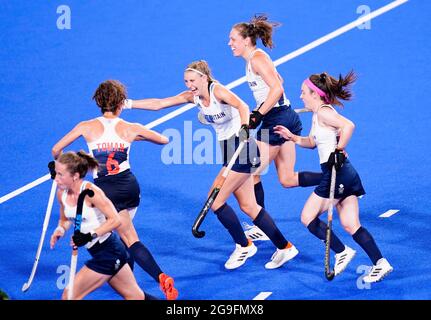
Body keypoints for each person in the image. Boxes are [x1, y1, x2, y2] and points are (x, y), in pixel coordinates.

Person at [125, 60, 298, 270]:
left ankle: (244, 245)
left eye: (192, 80)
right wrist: (128, 103)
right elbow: (160, 103)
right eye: (186, 81)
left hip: (242, 148)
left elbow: (242, 106)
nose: (189, 85)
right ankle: (284, 246)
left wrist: (245, 127)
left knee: (215, 199)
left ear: (204, 77)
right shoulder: (194, 97)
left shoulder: (218, 91)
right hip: (228, 150)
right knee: (248, 206)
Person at [51, 80, 178, 299]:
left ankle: (149, 281)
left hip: (105, 189)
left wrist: (59, 165)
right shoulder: (130, 128)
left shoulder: (86, 126)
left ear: (98, 103)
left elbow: (56, 149)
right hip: (129, 187)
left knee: (119, 238)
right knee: (125, 237)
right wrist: (136, 136)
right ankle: (145, 281)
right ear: (121, 104)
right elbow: (164, 140)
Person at [273, 71, 393, 282]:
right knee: (350, 224)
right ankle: (381, 263)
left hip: (337, 174)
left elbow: (348, 126)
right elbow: (312, 142)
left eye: (303, 93)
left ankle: (341, 252)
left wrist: (339, 148)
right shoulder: (317, 115)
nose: (301, 96)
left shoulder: (323, 113)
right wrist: (291, 137)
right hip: (345, 173)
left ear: (315, 94)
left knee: (307, 217)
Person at [228, 14, 322, 208]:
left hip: (278, 120)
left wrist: (260, 114)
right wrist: (260, 109)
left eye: (233, 39)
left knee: (251, 170)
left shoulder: (257, 59)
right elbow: (279, 82)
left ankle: (259, 222)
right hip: (284, 116)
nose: (229, 43)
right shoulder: (255, 59)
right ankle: (335, 180)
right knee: (287, 178)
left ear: (246, 40)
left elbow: (278, 89)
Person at [49, 151, 156, 300]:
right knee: (136, 297)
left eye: (61, 174)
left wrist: (88, 235)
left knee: (69, 296)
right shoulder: (62, 193)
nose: (56, 179)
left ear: (75, 176)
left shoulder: (91, 192)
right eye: (56, 173)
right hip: (100, 252)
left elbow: (115, 220)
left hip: (109, 252)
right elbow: (65, 219)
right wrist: (60, 229)